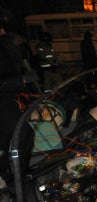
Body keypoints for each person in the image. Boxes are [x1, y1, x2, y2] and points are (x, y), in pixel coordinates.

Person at [0, 9, 36, 183]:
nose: (3, 32)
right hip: (2, 100)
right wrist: (20, 80)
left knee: (18, 136)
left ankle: (15, 174)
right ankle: (15, 177)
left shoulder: (5, 46)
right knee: (22, 134)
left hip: (7, 97)